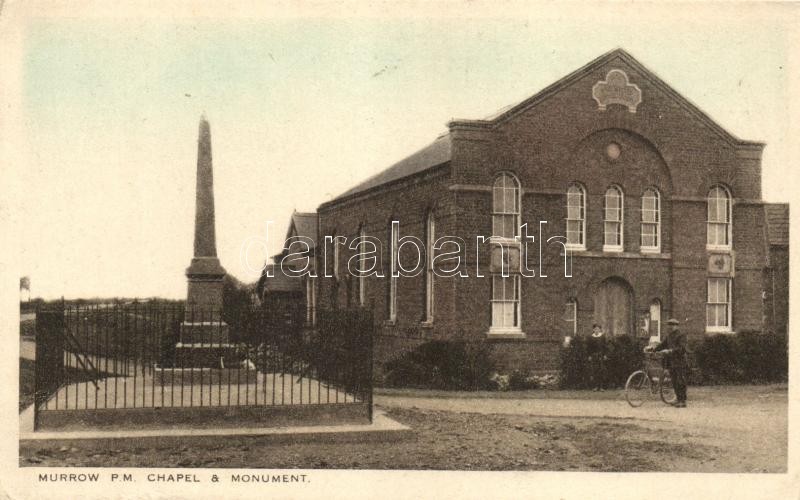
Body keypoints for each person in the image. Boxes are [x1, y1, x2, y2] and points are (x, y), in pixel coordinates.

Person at [647, 318, 689, 407]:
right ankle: (678, 398)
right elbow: (662, 345)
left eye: (672, 325)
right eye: (669, 325)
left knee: (680, 381)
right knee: (674, 381)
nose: (670, 327)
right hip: (671, 362)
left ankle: (682, 401)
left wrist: (670, 351)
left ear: (676, 326)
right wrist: (653, 349)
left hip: (680, 361)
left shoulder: (681, 335)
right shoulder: (669, 336)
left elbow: (682, 349)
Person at [587, 323, 609, 391]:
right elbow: (589, 348)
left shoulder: (602, 337)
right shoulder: (591, 337)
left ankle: (602, 387)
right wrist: (589, 355)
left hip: (601, 356)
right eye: (595, 329)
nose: (597, 330)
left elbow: (605, 346)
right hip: (594, 356)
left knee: (601, 370)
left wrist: (605, 355)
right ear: (593, 330)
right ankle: (595, 386)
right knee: (594, 371)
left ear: (600, 329)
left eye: (598, 329)